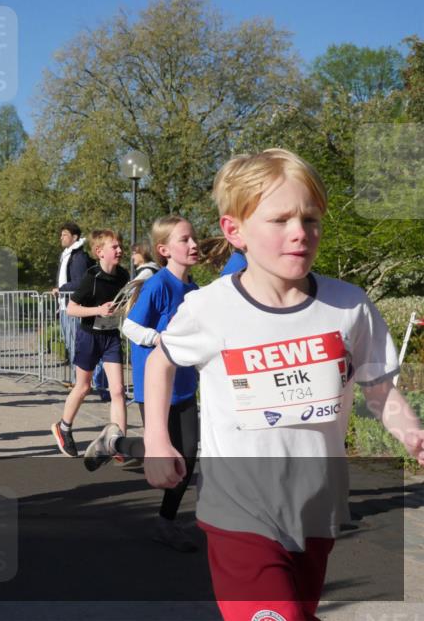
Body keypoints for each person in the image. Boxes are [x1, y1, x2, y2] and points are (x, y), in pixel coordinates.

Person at [142, 149, 424, 621]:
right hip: (239, 510)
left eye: (310, 218)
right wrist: (156, 438)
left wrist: (414, 435)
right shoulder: (210, 309)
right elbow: (160, 361)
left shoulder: (348, 306)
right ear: (236, 232)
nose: (300, 232)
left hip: (317, 507)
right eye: (280, 220)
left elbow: (379, 390)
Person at [84, 216, 202, 553]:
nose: (193, 245)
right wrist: (159, 339)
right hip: (155, 387)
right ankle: (114, 444)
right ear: (165, 250)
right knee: (160, 455)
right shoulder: (158, 284)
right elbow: (130, 328)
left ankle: (166, 523)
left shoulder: (194, 291)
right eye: (185, 240)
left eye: (194, 238)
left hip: (185, 385)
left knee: (187, 458)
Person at [50, 230, 129, 457]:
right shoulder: (91, 277)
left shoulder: (123, 276)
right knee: (83, 387)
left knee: (118, 390)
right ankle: (63, 427)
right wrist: (98, 310)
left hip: (111, 335)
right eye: (114, 247)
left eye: (120, 246)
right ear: (99, 252)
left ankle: (118, 444)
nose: (120, 250)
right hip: (89, 336)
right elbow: (71, 308)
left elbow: (124, 302)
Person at [51, 223, 93, 384]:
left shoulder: (78, 257)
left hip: (73, 307)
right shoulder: (67, 255)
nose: (61, 237)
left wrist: (61, 289)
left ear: (74, 237)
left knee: (76, 345)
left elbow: (80, 282)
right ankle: (78, 380)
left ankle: (80, 381)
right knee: (71, 344)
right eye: (61, 234)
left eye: (65, 234)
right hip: (65, 306)